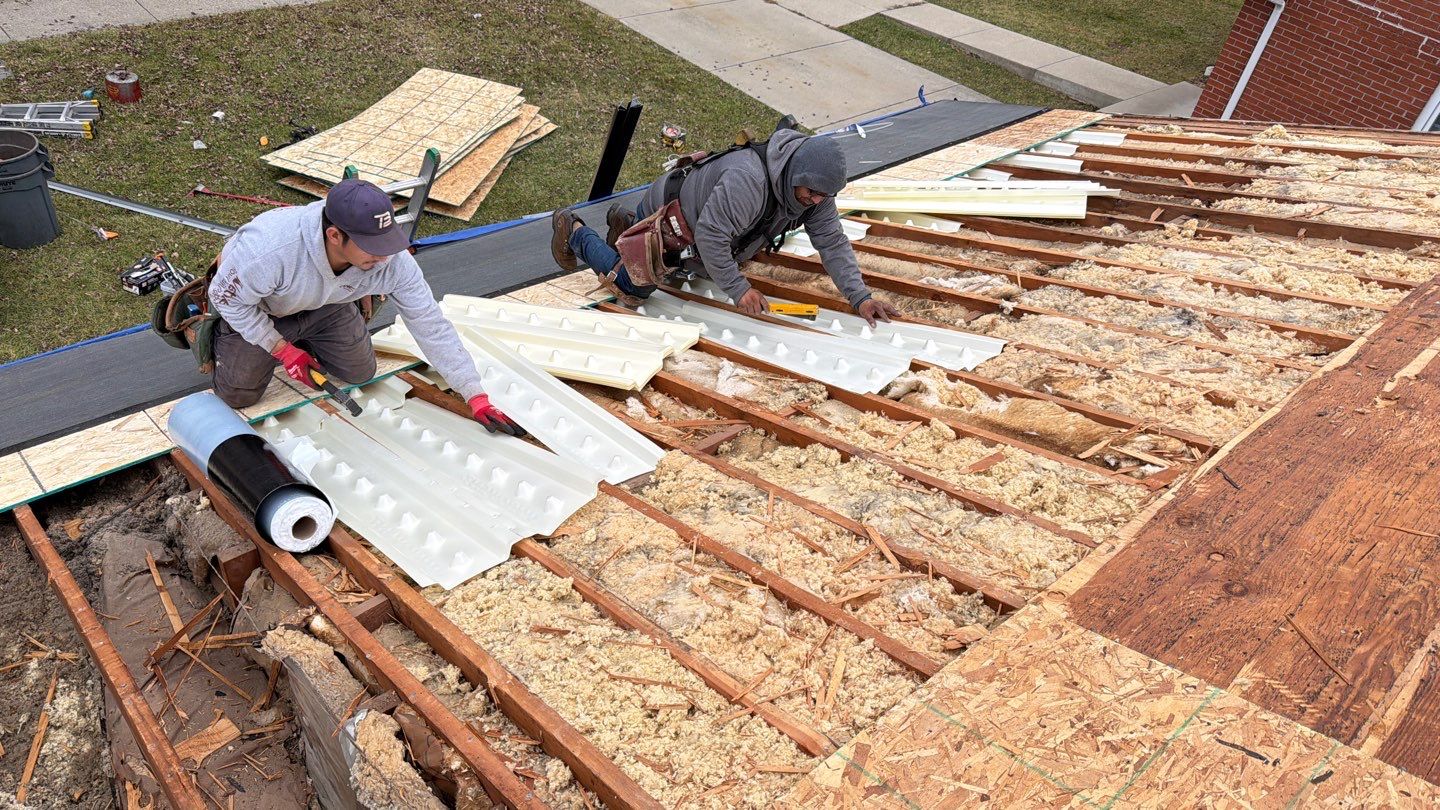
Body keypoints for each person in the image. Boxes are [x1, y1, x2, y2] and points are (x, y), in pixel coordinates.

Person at [207, 178, 520, 434]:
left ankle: (310, 337)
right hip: (261, 309)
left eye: (386, 244)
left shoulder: (391, 261)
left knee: (360, 372)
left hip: (327, 303)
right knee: (239, 395)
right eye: (372, 248)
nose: (383, 257)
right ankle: (219, 339)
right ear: (334, 235)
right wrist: (280, 349)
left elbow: (429, 324)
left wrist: (474, 394)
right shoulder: (270, 250)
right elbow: (225, 300)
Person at [550, 128, 900, 326]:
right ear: (797, 175)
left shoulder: (812, 189)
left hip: (696, 219)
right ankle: (577, 231)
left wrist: (861, 298)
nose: (817, 202)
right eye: (812, 193)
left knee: (704, 268)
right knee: (633, 289)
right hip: (670, 216)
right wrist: (738, 289)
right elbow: (710, 237)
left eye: (825, 195)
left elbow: (833, 244)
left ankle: (628, 228)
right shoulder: (747, 182)